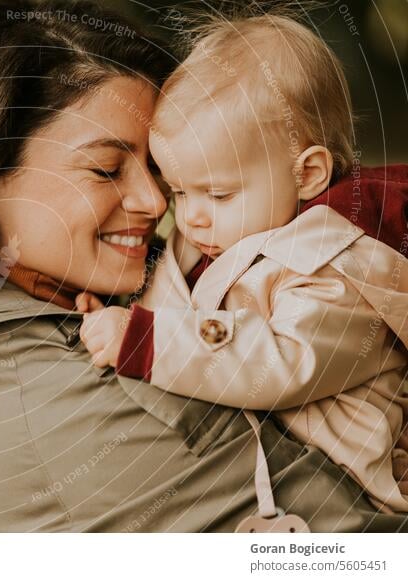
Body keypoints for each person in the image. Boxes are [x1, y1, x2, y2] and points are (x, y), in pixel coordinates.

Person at [0, 0, 408, 531]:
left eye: (158, 171)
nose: (157, 205)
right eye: (106, 171)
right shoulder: (62, 403)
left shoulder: (47, 313)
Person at [76, 15, 408, 513]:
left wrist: (144, 340)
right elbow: (182, 296)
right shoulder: (224, 231)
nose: (191, 217)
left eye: (218, 193)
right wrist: (116, 305)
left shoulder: (339, 268)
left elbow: (280, 361)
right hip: (269, 476)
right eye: (180, 191)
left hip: (352, 494)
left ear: (308, 174)